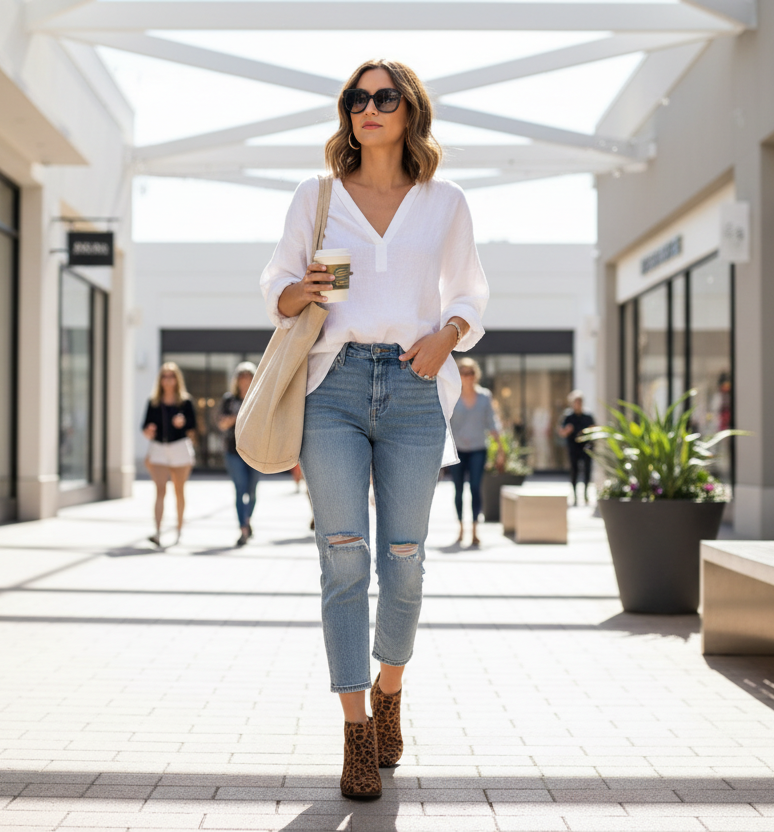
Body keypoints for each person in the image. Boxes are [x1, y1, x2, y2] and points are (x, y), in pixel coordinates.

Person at [261, 59, 488, 801]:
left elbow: (470, 291)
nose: (369, 107)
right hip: (333, 384)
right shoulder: (318, 195)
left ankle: (391, 690)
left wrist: (447, 335)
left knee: (406, 560)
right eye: (356, 98)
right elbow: (277, 287)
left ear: (410, 109)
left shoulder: (444, 201)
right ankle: (357, 731)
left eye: (384, 96)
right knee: (343, 559)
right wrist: (301, 289)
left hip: (416, 385)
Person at [142, 362, 196, 546]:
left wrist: (183, 422)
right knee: (160, 491)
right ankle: (157, 532)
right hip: (159, 449)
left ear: (177, 379)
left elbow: (193, 425)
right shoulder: (153, 402)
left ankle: (179, 531)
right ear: (160, 380)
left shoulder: (185, 402)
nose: (168, 380)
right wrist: (148, 430)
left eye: (171, 376)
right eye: (164, 376)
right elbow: (145, 426)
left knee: (179, 491)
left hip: (180, 448)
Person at [449, 357, 501, 547]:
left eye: (470, 373)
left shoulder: (485, 396)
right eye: (463, 373)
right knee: (458, 489)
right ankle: (461, 528)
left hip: (479, 449)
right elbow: (445, 422)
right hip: (457, 450)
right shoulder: (452, 395)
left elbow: (492, 423)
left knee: (475, 488)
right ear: (459, 375)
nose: (467, 376)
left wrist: (501, 449)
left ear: (476, 375)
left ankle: (475, 530)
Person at [217, 361, 259, 547]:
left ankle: (247, 520)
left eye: (248, 376)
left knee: (252, 491)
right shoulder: (229, 400)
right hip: (233, 451)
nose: (245, 380)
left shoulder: (259, 397)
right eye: (241, 377)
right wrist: (238, 417)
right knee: (240, 489)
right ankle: (243, 528)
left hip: (256, 451)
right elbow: (221, 423)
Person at [559, 391, 596, 505]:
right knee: (574, 470)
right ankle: (575, 495)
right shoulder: (568, 416)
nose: (578, 404)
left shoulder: (588, 416)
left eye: (580, 402)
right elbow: (561, 432)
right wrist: (567, 430)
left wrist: (591, 430)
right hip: (573, 447)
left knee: (587, 470)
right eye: (576, 402)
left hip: (586, 447)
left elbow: (594, 429)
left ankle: (585, 494)